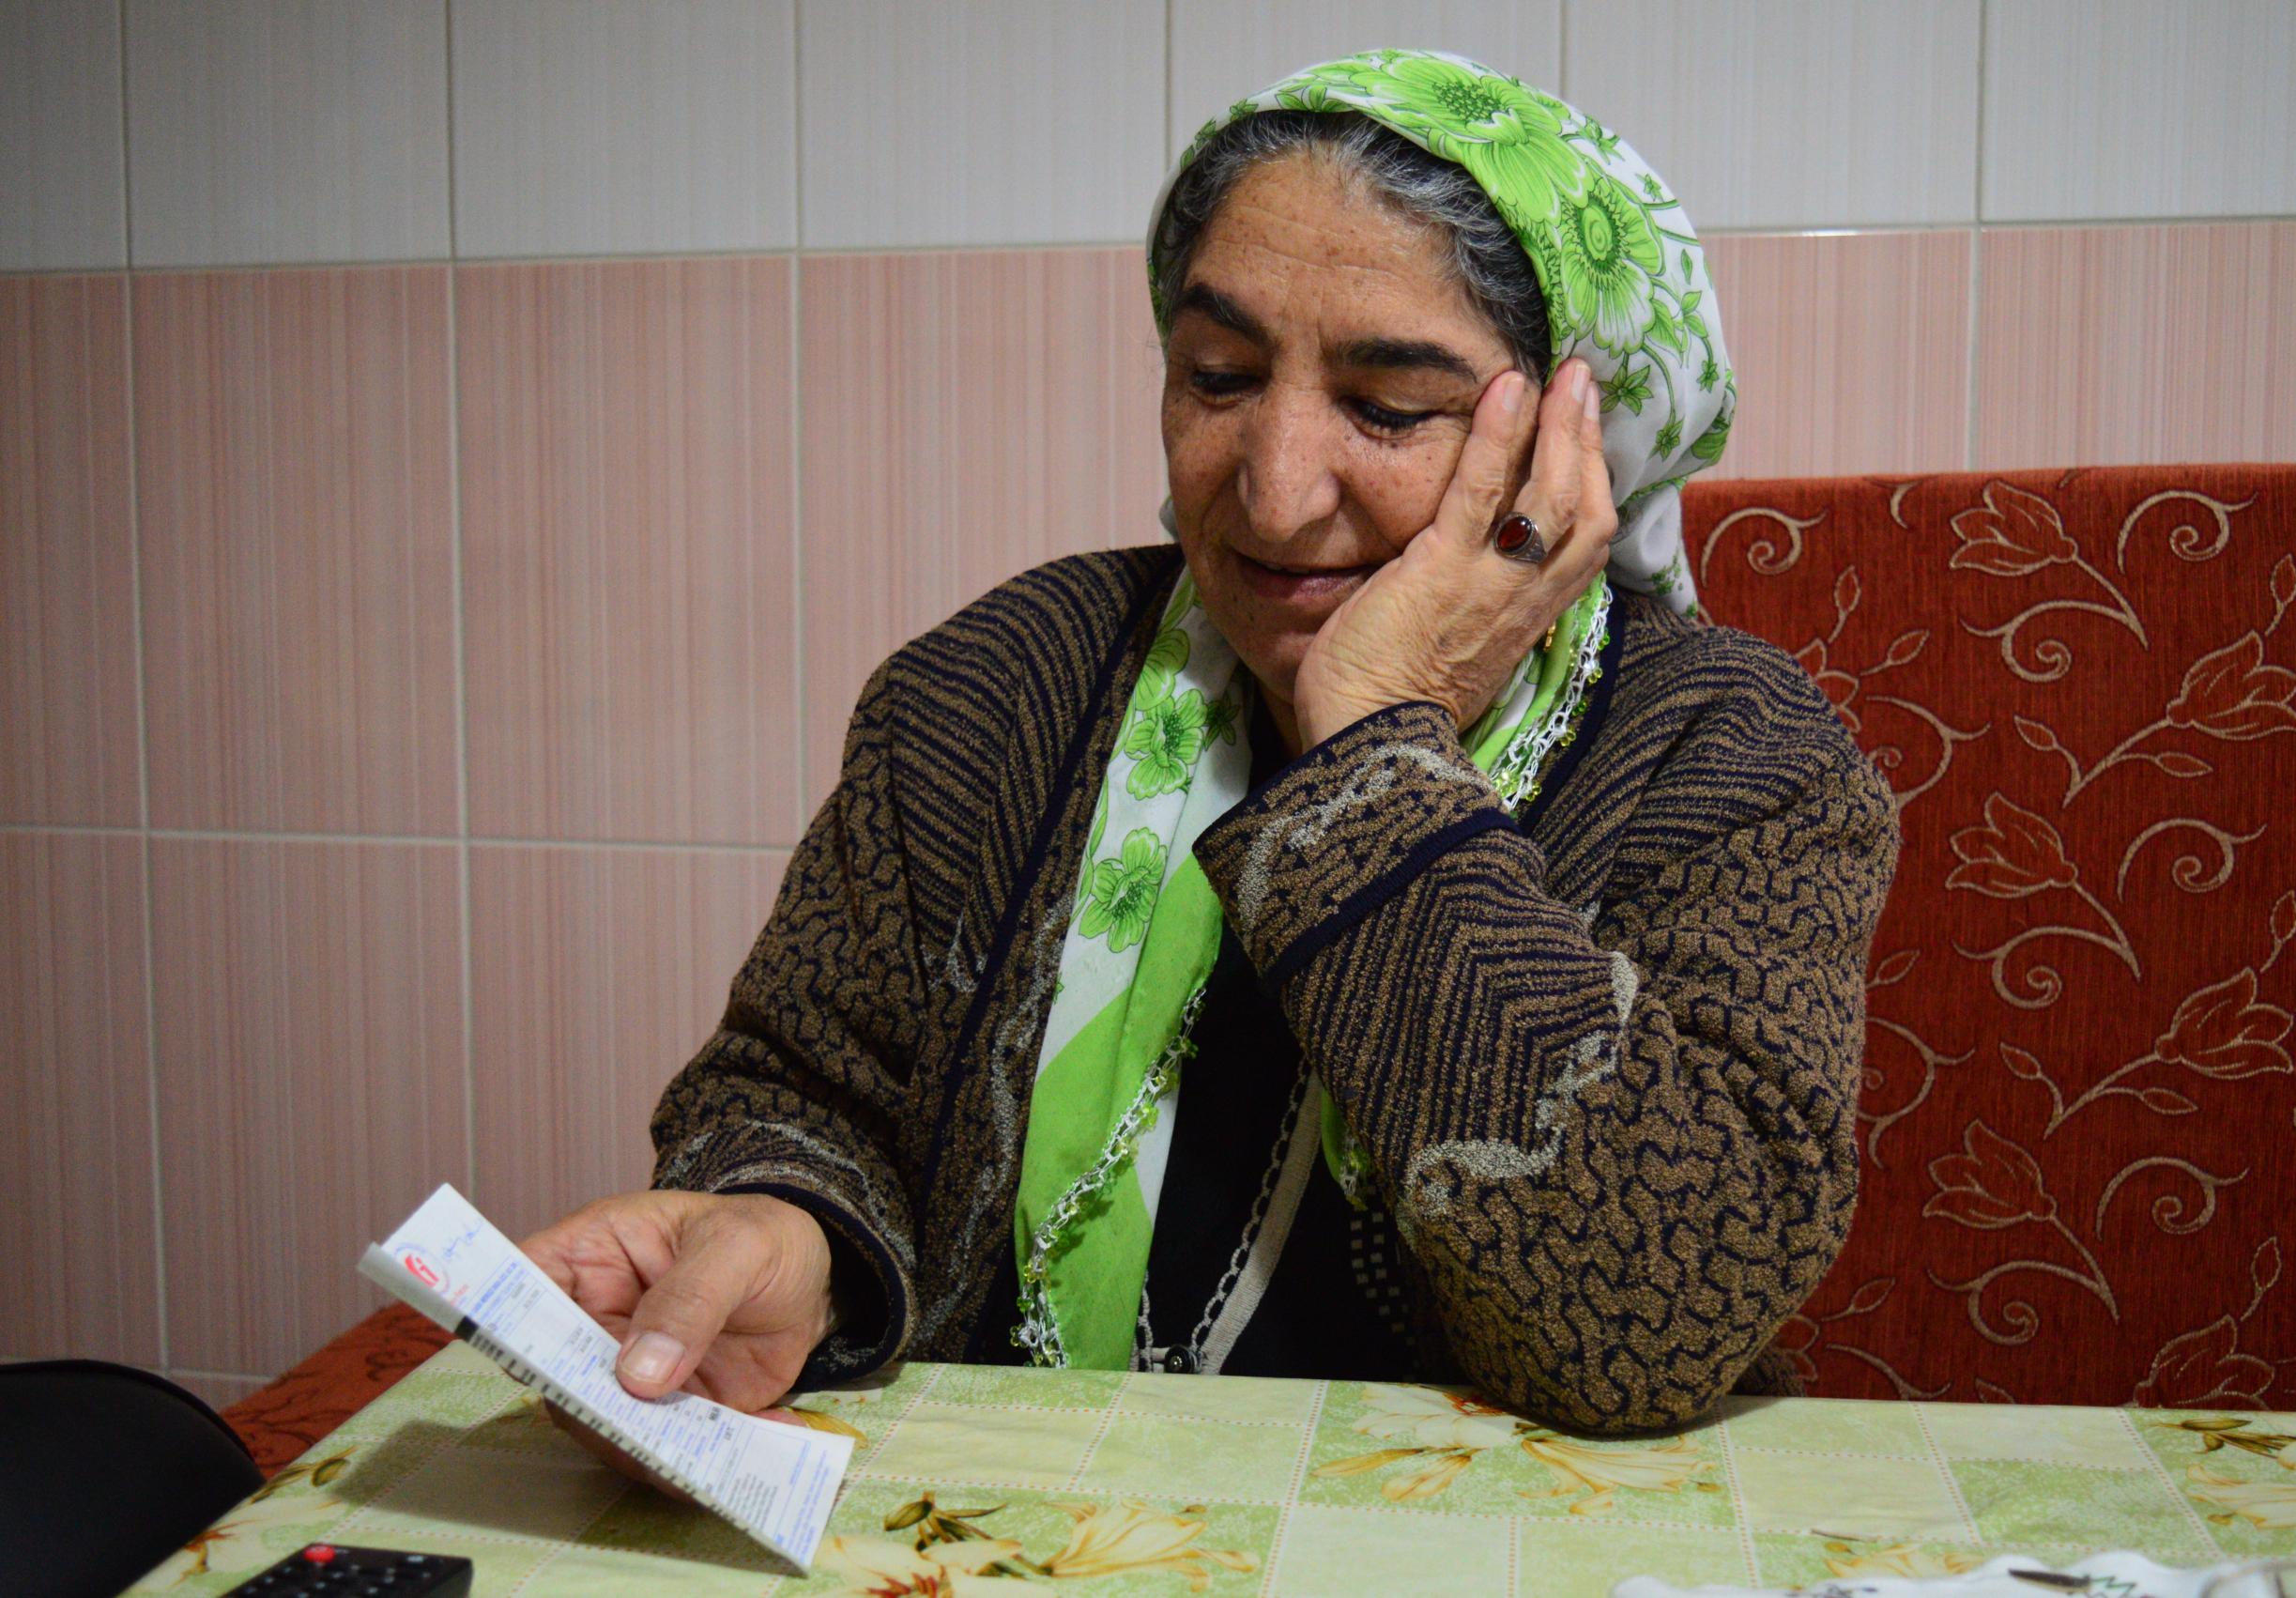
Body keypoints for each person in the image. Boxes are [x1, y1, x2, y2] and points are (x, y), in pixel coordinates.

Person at [523, 50, 1900, 1456]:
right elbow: (799, 1088)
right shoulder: (996, 688)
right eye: (1219, 376)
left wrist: (1377, 738)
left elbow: (1652, 1316)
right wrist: (792, 1230)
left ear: (1570, 441)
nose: (1274, 490)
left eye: (1389, 405)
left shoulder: (1736, 756)